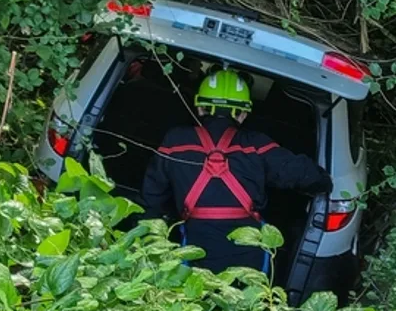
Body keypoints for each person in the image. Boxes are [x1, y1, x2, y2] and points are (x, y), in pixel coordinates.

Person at [140, 68, 332, 274]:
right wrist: (322, 179)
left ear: (200, 108)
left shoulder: (174, 142)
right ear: (243, 114)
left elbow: (151, 200)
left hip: (197, 250)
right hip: (249, 254)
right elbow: (310, 177)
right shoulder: (256, 145)